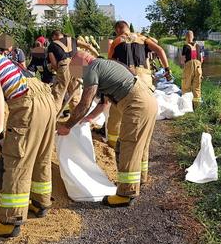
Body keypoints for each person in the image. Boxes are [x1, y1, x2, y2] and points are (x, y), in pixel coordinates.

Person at [0, 40, 55, 238]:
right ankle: (41, 203)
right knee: (41, 154)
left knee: (18, 161)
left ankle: (11, 222)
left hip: (28, 102)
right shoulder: (4, 59)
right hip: (46, 99)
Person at [57, 51, 158, 207]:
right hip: (148, 101)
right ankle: (140, 179)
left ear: (83, 62)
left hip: (137, 105)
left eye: (76, 69)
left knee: (127, 147)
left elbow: (85, 103)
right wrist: (88, 118)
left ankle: (126, 194)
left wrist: (67, 126)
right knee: (140, 145)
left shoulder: (92, 69)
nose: (78, 75)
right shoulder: (105, 65)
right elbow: (103, 103)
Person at [106, 21, 171, 184]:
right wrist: (167, 69)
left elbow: (110, 64)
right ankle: (143, 175)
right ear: (128, 28)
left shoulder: (116, 41)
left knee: (116, 115)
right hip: (145, 78)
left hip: (126, 78)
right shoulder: (143, 38)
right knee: (144, 129)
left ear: (117, 30)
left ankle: (112, 145)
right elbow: (160, 50)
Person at [47, 30, 99, 114]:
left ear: (54, 37)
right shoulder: (71, 39)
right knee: (75, 95)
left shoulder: (52, 45)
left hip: (64, 66)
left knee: (58, 95)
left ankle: (52, 120)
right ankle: (75, 122)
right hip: (77, 64)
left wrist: (59, 72)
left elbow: (53, 63)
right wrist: (97, 55)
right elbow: (88, 45)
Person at [180, 30, 204, 108]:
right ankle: (197, 107)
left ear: (186, 37)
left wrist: (184, 68)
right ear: (193, 37)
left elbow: (183, 60)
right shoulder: (198, 46)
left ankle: (187, 107)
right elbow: (202, 59)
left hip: (189, 66)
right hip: (198, 67)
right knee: (197, 88)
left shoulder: (185, 46)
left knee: (186, 86)